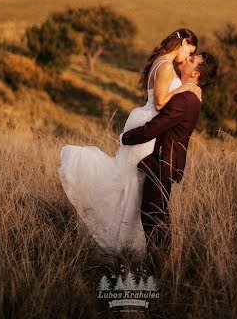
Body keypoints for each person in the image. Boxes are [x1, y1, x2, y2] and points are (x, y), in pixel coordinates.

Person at [58, 28, 198, 255]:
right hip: (149, 125)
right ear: (182, 44)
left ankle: (129, 240)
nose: (186, 58)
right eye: (188, 52)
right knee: (133, 183)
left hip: (146, 121)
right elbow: (161, 103)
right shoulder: (165, 66)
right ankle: (125, 242)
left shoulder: (161, 62)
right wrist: (185, 88)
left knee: (133, 183)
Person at [121, 52, 218, 257]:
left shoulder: (185, 99)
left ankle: (160, 264)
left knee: (152, 216)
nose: (187, 59)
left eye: (192, 61)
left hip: (163, 163)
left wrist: (126, 137)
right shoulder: (190, 96)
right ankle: (163, 259)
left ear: (196, 73)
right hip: (168, 161)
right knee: (158, 213)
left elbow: (154, 128)